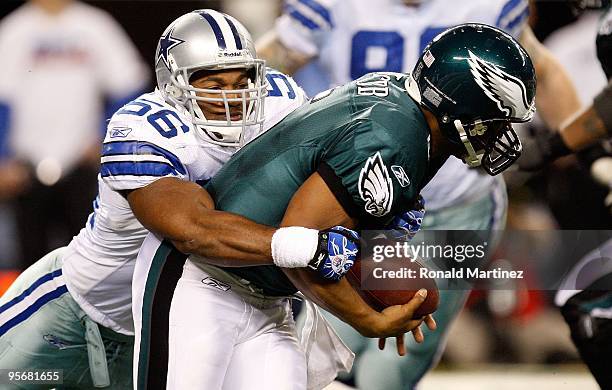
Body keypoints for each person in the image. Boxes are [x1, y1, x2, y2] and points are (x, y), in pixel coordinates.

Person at [132, 23, 537, 390]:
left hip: (267, 296)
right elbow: (301, 243)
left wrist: (376, 226)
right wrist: (366, 318)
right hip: (203, 278)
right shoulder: (392, 137)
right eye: (496, 120)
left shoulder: (405, 105)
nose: (500, 133)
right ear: (459, 105)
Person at [0, 10, 359, 389]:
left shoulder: (281, 104)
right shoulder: (144, 128)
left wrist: (369, 204)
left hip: (167, 327)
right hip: (76, 310)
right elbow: (193, 231)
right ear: (174, 85)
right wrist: (306, 247)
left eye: (242, 81)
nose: (232, 97)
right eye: (214, 83)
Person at [257, 0, 581, 387]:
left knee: (401, 354)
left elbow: (541, 69)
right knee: (326, 347)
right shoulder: (332, 5)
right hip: (363, 202)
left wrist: (587, 149)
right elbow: (269, 67)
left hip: (457, 202)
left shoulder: (487, 5)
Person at [0, 0, 149, 268]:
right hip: (26, 168)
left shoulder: (93, 24)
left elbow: (130, 85)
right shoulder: (15, 28)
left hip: (81, 163)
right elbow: (2, 101)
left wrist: (107, 136)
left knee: (87, 260)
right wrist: (2, 159)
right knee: (28, 263)